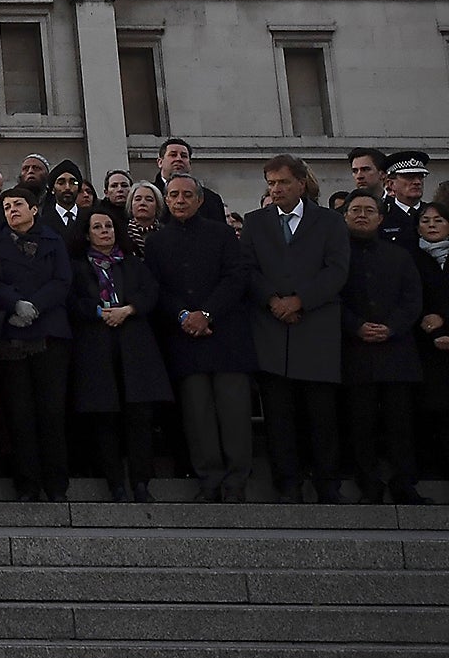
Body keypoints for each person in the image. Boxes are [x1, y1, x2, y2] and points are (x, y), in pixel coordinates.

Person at [243, 153, 350, 503]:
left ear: (301, 184)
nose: (276, 190)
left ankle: (327, 483)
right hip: (272, 332)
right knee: (279, 415)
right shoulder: (255, 222)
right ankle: (287, 483)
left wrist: (299, 300)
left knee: (321, 415)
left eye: (283, 182)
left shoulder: (330, 222)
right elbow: (248, 270)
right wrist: (274, 302)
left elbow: (336, 271)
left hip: (315, 329)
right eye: (271, 183)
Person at [146, 173, 256, 502]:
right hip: (184, 339)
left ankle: (236, 481)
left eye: (186, 195)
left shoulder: (222, 234)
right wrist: (183, 315)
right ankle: (209, 479)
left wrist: (206, 314)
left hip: (225, 337)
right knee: (198, 416)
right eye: (174, 195)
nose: (180, 200)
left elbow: (236, 278)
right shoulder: (157, 241)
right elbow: (157, 288)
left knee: (234, 413)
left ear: (199, 200)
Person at [68, 206, 172, 502]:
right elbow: (73, 301)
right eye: (98, 227)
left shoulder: (133, 264)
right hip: (96, 348)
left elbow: (151, 292)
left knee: (139, 417)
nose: (104, 232)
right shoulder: (78, 267)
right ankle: (115, 482)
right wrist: (100, 312)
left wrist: (128, 309)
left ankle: (141, 482)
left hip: (134, 348)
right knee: (106, 418)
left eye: (109, 227)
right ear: (87, 234)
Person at [0, 187, 75, 502]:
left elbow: (62, 281)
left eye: (18, 205)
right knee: (19, 414)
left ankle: (57, 485)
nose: (12, 211)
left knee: (51, 411)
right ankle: (27, 484)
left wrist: (34, 305)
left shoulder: (53, 240)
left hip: (49, 333)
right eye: (6, 207)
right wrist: (15, 304)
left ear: (34, 209)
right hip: (12, 334)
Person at [339, 192, 427, 504]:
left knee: (400, 425)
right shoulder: (336, 257)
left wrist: (391, 328)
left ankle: (405, 484)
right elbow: (332, 299)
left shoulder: (400, 256)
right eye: (355, 210)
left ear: (380, 218)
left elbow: (412, 299)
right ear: (345, 216)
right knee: (360, 424)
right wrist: (356, 326)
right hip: (354, 352)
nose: (361, 215)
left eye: (368, 210)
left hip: (396, 353)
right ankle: (369, 485)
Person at [410, 201, 449, 479]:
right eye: (425, 221)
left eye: (438, 220)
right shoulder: (410, 257)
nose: (432, 225)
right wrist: (429, 325)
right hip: (422, 344)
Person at [156, 137, 227, 223]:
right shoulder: (148, 196)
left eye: (184, 156)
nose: (179, 159)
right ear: (160, 162)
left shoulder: (211, 199)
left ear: (190, 163)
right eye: (173, 155)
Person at [380, 151, 430, 250]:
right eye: (409, 177)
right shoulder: (381, 215)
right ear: (391, 184)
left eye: (420, 177)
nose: (417, 182)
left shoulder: (433, 213)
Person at [44, 162, 87, 248]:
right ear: (52, 189)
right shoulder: (43, 222)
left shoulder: (89, 217)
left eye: (73, 183)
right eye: (61, 183)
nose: (67, 187)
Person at [125, 182, 165, 254]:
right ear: (130, 206)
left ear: (157, 206)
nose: (142, 203)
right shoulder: (122, 233)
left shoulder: (166, 234)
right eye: (138, 199)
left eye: (149, 199)